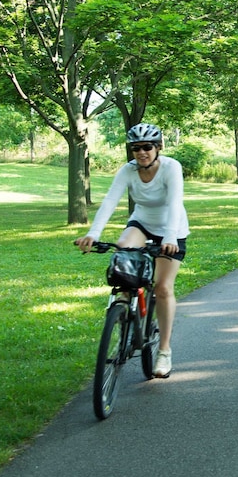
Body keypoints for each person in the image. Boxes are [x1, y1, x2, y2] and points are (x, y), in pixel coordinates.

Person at [75, 123, 189, 379]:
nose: (141, 152)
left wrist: (170, 236)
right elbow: (110, 201)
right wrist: (93, 234)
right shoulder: (128, 170)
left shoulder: (171, 167)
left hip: (172, 229)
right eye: (136, 148)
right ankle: (124, 315)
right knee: (123, 260)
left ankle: (164, 351)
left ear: (158, 148)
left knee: (162, 288)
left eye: (147, 147)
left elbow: (175, 203)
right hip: (142, 223)